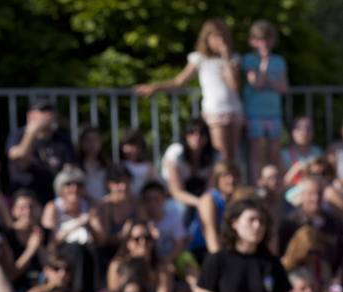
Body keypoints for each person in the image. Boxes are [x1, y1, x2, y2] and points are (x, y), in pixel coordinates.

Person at [136, 19, 243, 162]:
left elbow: (234, 86)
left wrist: (227, 60)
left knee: (233, 156)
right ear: (207, 38)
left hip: (234, 110)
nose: (220, 41)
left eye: (223, 37)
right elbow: (179, 81)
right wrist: (155, 87)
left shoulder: (232, 59)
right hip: (215, 110)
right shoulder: (200, 58)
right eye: (216, 37)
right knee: (221, 155)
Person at [5, 97, 76, 205]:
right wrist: (31, 132)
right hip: (25, 194)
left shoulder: (62, 138)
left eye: (50, 111)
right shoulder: (17, 135)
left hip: (55, 195)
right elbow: (19, 160)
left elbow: (71, 167)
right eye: (42, 111)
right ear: (30, 115)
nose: (48, 115)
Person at [242, 20, 288, 182]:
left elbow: (284, 87)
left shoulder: (279, 61)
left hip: (273, 112)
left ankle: (274, 183)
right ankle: (257, 184)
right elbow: (257, 83)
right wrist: (264, 63)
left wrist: (267, 80)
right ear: (252, 41)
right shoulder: (248, 60)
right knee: (257, 153)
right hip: (255, 113)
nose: (264, 43)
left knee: (274, 152)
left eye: (267, 39)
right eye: (260, 39)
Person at [160, 118, 217, 214]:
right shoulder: (175, 153)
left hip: (202, 197)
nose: (197, 137)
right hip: (174, 198)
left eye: (202, 134)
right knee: (181, 209)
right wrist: (199, 203)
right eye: (192, 133)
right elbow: (176, 192)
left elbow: (209, 189)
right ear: (185, 136)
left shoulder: (214, 156)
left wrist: (205, 203)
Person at [191, 161, 241, 257]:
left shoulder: (236, 200)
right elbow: (210, 234)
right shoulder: (208, 199)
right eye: (226, 176)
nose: (231, 180)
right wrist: (219, 262)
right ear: (217, 179)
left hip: (226, 249)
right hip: (201, 250)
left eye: (235, 175)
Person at [3, 189, 47, 292]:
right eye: (22, 208)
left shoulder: (45, 232)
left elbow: (49, 266)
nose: (28, 212)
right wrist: (31, 250)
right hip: (16, 290)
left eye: (31, 207)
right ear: (14, 210)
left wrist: (40, 247)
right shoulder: (6, 235)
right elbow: (11, 274)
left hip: (41, 287)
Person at [281, 116, 324, 203]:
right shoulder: (284, 154)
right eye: (299, 128)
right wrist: (297, 168)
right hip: (294, 194)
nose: (304, 132)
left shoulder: (318, 151)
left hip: (317, 190)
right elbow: (282, 184)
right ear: (293, 132)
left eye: (308, 128)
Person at [118, 130, 159, 196]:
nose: (133, 149)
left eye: (137, 146)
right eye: (130, 145)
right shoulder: (120, 165)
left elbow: (154, 185)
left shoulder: (148, 166)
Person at [76, 126, 110, 202]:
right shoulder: (76, 165)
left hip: (104, 205)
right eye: (88, 140)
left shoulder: (106, 164)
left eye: (95, 140)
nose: (92, 144)